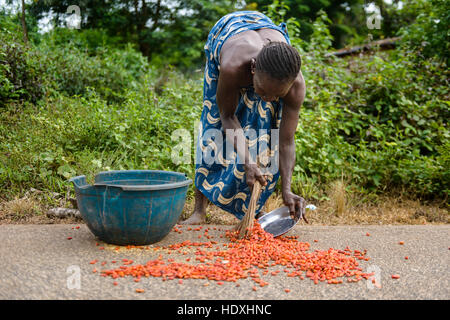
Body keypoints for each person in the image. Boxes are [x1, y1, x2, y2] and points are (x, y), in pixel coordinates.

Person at [181, 11, 307, 225]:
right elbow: (227, 116)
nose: (268, 100)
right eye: (263, 91)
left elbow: (286, 141)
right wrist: (247, 161)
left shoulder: (294, 85)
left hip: (267, 39)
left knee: (266, 129)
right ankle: (199, 210)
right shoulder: (232, 67)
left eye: (277, 96)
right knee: (212, 125)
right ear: (252, 69)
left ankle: (256, 209)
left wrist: (287, 189)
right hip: (227, 33)